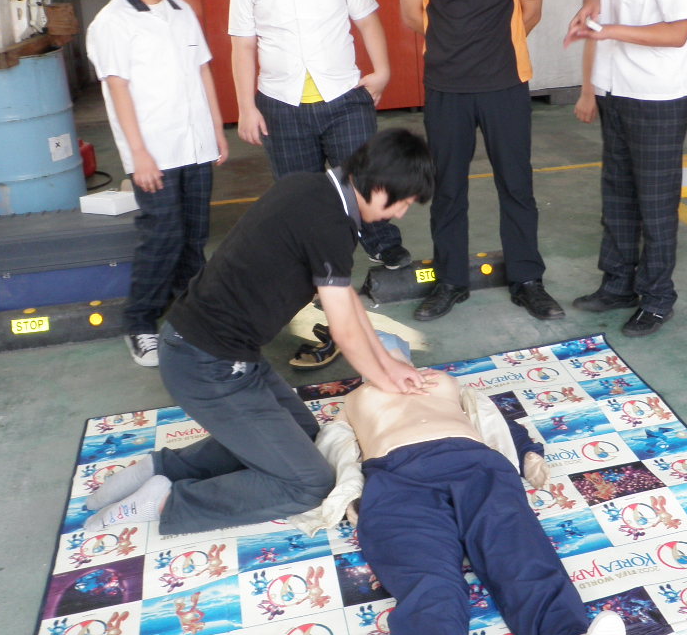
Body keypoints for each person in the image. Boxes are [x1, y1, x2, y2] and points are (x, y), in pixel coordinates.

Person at [81, 130, 435, 536]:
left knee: (304, 435)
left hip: (223, 353)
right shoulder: (330, 222)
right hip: (206, 365)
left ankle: (160, 469)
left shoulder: (311, 187)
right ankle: (167, 501)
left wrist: (388, 363)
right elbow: (344, 331)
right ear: (380, 186)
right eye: (403, 202)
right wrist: (385, 382)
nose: (401, 214)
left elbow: (348, 302)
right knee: (309, 484)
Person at [342, 370, 626, 635]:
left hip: (475, 462)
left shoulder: (440, 380)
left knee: (519, 553)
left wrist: (528, 452)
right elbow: (336, 447)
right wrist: (346, 493)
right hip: (394, 476)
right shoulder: (355, 399)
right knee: (425, 575)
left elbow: (492, 417)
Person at [229, 0, 408, 371]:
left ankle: (382, 244)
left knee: (363, 175)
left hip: (344, 95)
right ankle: (314, 271)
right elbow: (243, 47)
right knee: (300, 195)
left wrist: (382, 71)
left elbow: (368, 19)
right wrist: (246, 106)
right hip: (282, 105)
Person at [396, 0, 563, 323]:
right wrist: (454, 43)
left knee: (517, 183)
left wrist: (490, 45)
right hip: (446, 84)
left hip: (505, 83)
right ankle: (450, 282)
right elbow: (410, 12)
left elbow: (531, 11)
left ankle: (527, 280)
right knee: (448, 188)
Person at [564, 0, 687, 338]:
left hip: (659, 92)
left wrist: (610, 31)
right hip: (615, 84)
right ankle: (618, 283)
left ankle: (658, 298)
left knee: (655, 202)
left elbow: (677, 32)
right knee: (618, 191)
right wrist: (589, 6)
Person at [85, 0, 228, 368]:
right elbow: (119, 89)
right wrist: (139, 155)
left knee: (194, 237)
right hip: (154, 153)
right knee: (162, 237)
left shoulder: (182, 12)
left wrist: (216, 129)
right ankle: (140, 322)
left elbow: (202, 71)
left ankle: (194, 318)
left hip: (196, 145)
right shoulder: (112, 23)